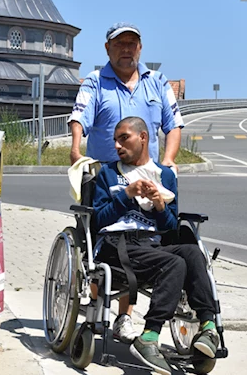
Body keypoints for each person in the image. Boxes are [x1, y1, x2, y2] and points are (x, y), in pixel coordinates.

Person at [68, 22, 185, 343]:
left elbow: (173, 125)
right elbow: (79, 116)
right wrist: (76, 148)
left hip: (146, 174)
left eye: (132, 44)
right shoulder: (95, 82)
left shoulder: (156, 82)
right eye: (120, 44)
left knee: (141, 237)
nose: (126, 49)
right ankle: (95, 305)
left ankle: (124, 316)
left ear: (140, 48)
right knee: (102, 240)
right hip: (107, 174)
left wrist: (170, 159)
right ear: (108, 49)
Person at [91, 116, 219, 375]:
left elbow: (170, 227)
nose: (117, 145)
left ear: (143, 138)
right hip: (117, 247)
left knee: (191, 253)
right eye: (115, 140)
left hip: (152, 246)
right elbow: (97, 221)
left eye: (123, 138)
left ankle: (208, 327)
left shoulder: (166, 176)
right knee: (174, 263)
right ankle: (149, 336)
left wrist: (160, 206)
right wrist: (126, 196)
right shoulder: (108, 174)